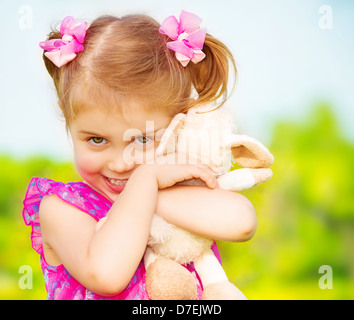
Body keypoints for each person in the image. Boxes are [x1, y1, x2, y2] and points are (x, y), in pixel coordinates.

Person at [22, 11, 257, 300]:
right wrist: (145, 178)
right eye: (97, 139)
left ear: (178, 123)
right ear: (68, 119)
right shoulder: (61, 210)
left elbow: (241, 221)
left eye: (143, 139)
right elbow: (106, 275)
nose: (122, 163)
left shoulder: (174, 193)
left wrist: (150, 190)